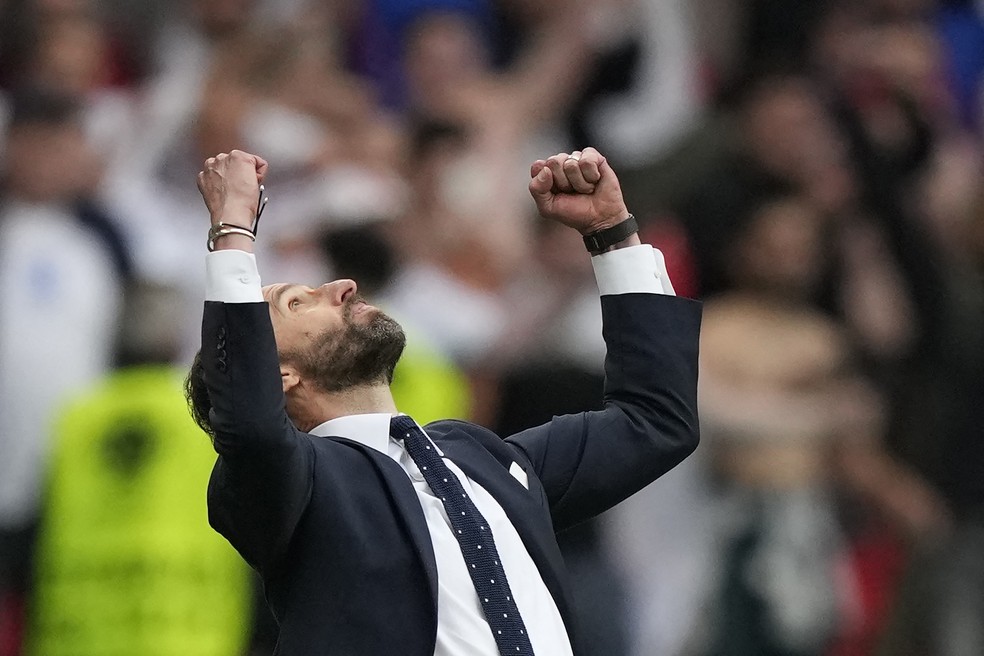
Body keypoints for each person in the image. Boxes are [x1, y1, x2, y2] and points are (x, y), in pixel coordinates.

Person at [186, 147, 700, 655]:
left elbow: (654, 420)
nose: (342, 286)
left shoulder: (485, 459)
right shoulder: (289, 486)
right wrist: (232, 227)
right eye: (297, 303)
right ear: (276, 375)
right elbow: (249, 422)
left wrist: (613, 236)